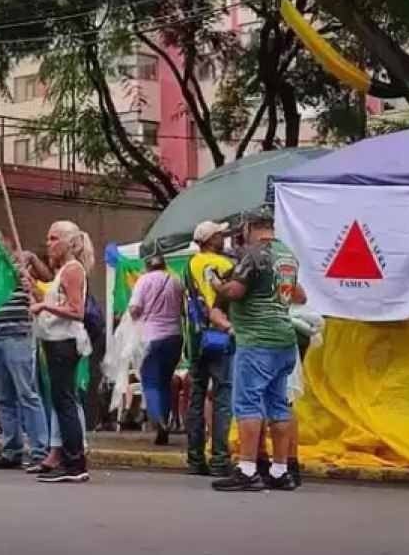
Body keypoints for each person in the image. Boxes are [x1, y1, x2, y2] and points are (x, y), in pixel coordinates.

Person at [211, 208, 305, 492]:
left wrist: (216, 283)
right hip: (284, 340)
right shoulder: (288, 254)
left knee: (248, 404)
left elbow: (235, 292)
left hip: (256, 339)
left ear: (250, 227)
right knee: (279, 404)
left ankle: (248, 469)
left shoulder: (254, 254)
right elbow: (299, 295)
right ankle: (280, 470)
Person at [30, 220, 94, 484]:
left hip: (64, 342)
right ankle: (70, 459)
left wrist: (44, 309)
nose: (49, 244)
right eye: (48, 238)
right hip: (54, 340)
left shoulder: (72, 270)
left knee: (65, 402)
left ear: (69, 242)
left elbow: (76, 311)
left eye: (54, 238)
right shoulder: (62, 272)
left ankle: (75, 462)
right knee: (60, 400)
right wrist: (37, 296)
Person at [0, 230, 49, 470]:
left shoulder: (21, 263)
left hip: (18, 334)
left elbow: (48, 277)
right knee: (2, 397)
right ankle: (12, 450)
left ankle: (40, 450)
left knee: (27, 394)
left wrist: (30, 263)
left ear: (8, 243)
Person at [185, 220, 235, 477]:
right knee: (223, 396)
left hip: (196, 338)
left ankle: (195, 458)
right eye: (219, 234)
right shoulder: (227, 265)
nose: (223, 237)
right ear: (210, 239)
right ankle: (220, 458)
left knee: (196, 397)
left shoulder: (189, 265)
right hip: (222, 335)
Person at [128, 245, 184, 446]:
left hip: (150, 337)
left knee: (150, 381)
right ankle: (165, 421)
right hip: (174, 337)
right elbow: (182, 310)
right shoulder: (175, 281)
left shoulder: (144, 280)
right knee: (166, 381)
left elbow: (134, 308)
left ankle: (158, 421)